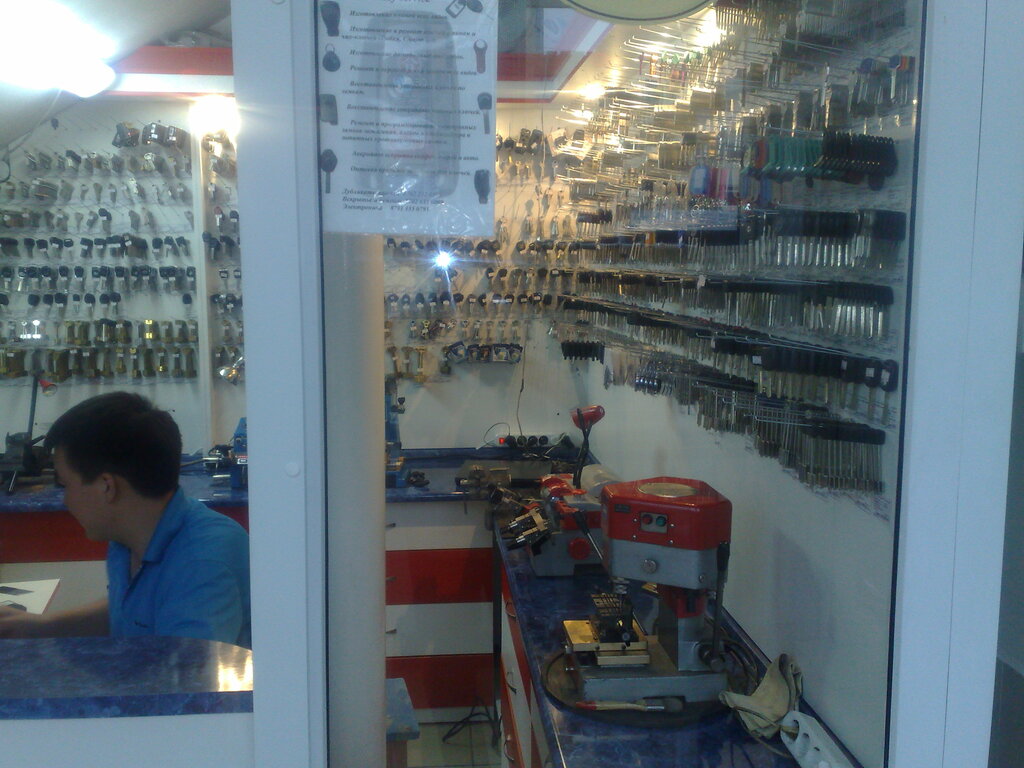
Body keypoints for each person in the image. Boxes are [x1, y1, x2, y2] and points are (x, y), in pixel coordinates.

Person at [0, 392, 251, 647]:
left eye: (65, 485)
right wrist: (40, 626)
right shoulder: (130, 534)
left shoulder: (202, 565)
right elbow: (130, 613)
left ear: (106, 486)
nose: (66, 501)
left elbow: (187, 670)